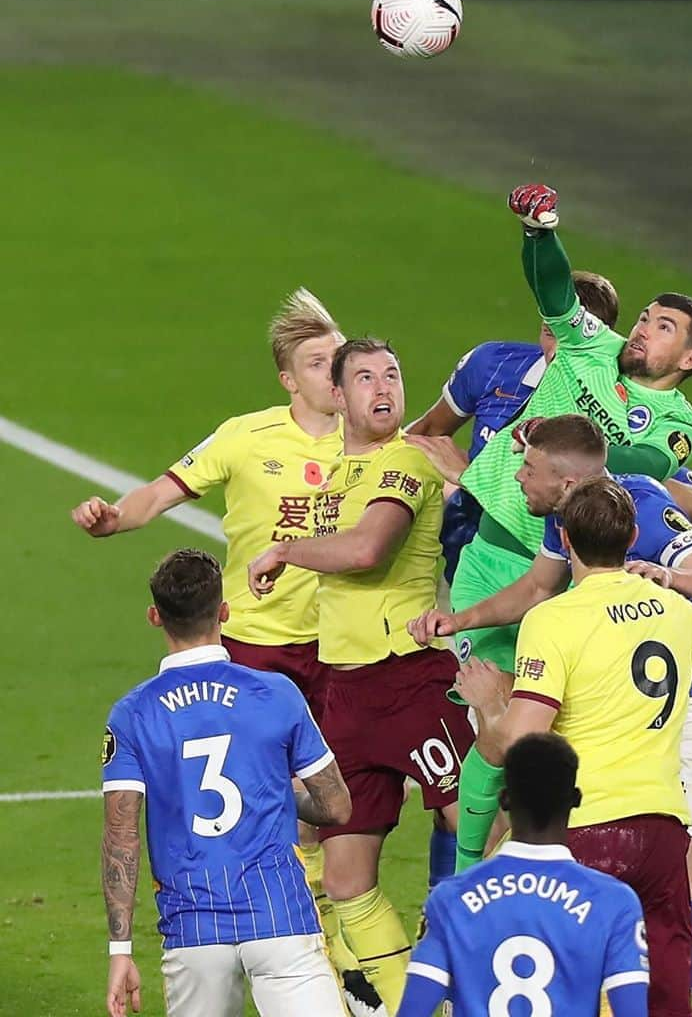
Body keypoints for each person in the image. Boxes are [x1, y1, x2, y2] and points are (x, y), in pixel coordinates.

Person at [410, 414, 692, 1014]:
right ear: (626, 541)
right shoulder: (670, 608)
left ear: (570, 517)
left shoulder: (561, 619)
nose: (519, 475)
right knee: (669, 952)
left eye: (528, 467)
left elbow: (518, 746)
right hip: (659, 815)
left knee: (538, 939)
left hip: (596, 812)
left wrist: (490, 701)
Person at [71, 289, 369, 1001]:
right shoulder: (245, 436)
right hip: (261, 650)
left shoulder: (377, 446)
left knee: (346, 815)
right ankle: (309, 963)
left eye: (340, 359)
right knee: (289, 818)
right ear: (288, 380)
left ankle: (337, 955)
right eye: (317, 363)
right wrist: (113, 520)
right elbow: (160, 492)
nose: (335, 374)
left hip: (345, 649)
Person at [424, 184, 692, 876]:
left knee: (550, 737)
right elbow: (554, 290)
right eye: (645, 317)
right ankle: (466, 877)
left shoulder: (679, 425)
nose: (644, 328)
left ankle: (547, 869)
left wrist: (573, 447)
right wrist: (539, 231)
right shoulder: (591, 345)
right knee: (492, 731)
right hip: (496, 559)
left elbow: (645, 460)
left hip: (572, 589)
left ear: (689, 360)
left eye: (664, 327)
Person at [247, 338, 476, 1015]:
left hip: (411, 681)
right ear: (339, 396)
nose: (385, 387)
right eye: (367, 377)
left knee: (483, 841)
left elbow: (367, 549)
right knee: (347, 878)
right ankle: (413, 1006)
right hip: (344, 696)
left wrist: (285, 549)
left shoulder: (405, 458)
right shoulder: (329, 470)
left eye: (394, 375)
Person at [100, 548, 352, 1017]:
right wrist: (277, 792)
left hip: (192, 928)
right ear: (224, 612)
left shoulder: (133, 714)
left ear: (155, 617)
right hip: (280, 917)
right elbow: (337, 806)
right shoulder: (275, 693)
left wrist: (121, 951)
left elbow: (121, 834)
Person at [397, 734, 649, 1017]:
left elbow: (413, 1010)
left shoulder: (450, 899)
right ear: (575, 800)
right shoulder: (613, 902)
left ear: (504, 799)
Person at [406, 269, 620, 583]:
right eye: (550, 332)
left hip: (553, 569)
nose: (557, 351)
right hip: (469, 549)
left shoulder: (614, 407)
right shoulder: (493, 365)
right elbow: (427, 431)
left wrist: (468, 476)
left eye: (573, 341)